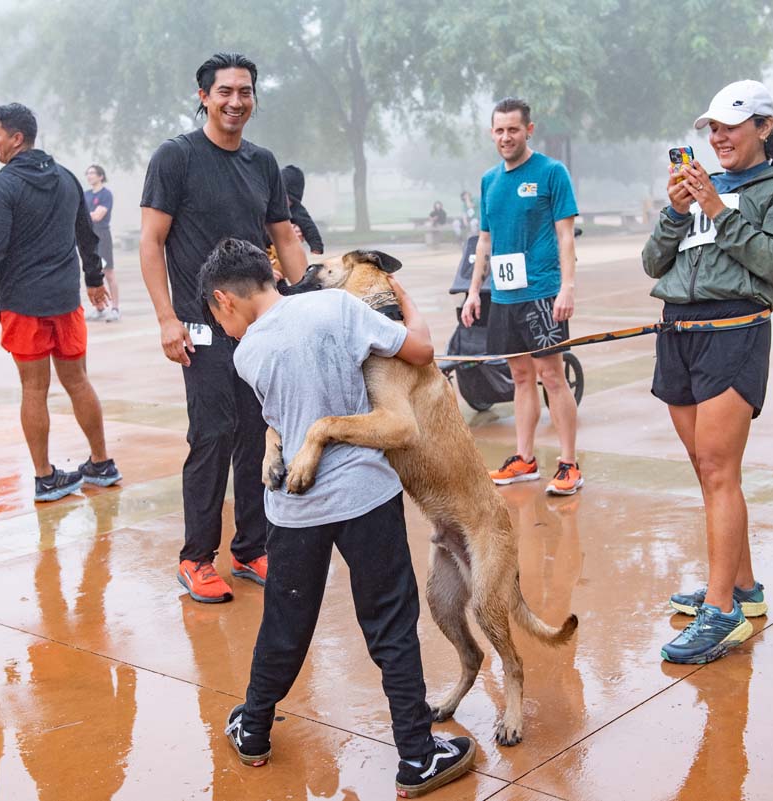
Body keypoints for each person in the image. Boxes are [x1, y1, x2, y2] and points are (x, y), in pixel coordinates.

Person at [201, 238, 476, 798]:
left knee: (284, 624)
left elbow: (280, 424)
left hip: (295, 510)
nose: (223, 327)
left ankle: (253, 730)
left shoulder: (246, 354)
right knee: (391, 623)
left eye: (216, 316)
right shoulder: (337, 307)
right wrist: (405, 301)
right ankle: (417, 756)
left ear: (224, 299)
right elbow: (420, 351)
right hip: (365, 496)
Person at [641, 80, 773, 664]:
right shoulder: (702, 186)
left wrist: (717, 211)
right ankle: (743, 589)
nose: (718, 138)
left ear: (764, 127)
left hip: (733, 333)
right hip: (678, 334)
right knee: (706, 468)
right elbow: (653, 263)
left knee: (719, 470)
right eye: (712, 128)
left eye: (730, 127)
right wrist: (678, 211)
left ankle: (720, 613)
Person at [139, 52, 306, 603]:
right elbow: (151, 242)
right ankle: (196, 558)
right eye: (225, 92)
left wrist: (307, 302)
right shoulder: (176, 157)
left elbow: (284, 236)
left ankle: (250, 548)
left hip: (257, 326)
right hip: (201, 326)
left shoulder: (262, 163)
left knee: (259, 433)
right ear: (204, 97)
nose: (236, 102)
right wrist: (167, 319)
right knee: (212, 435)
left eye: (245, 91)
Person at [0, 103, 120, 503]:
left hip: (23, 304)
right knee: (78, 381)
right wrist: (93, 280)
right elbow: (86, 235)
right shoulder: (67, 178)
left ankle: (45, 476)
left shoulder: (2, 186)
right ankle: (101, 463)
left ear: (17, 138)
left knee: (33, 389)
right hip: (66, 301)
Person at [461, 97, 582, 495]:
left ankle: (569, 464)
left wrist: (567, 287)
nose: (506, 137)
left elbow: (566, 236)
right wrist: (474, 292)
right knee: (520, 376)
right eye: (499, 130)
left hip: (543, 294)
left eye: (513, 129)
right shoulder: (489, 180)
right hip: (504, 295)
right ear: (491, 133)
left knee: (552, 376)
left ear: (529, 130)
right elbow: (484, 240)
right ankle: (524, 460)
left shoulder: (551, 172)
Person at [83, 164, 121, 322]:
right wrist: (88, 215)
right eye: (87, 173)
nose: (89, 175)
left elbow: (98, 216)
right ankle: (99, 308)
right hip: (87, 237)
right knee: (91, 271)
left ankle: (115, 308)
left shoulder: (106, 194)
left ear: (100, 176)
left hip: (102, 236)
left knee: (108, 272)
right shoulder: (85, 195)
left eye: (92, 173)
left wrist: (87, 215)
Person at [280, 164, 324, 255]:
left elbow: (310, 230)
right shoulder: (268, 208)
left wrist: (316, 249)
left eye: (286, 197)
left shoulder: (297, 211)